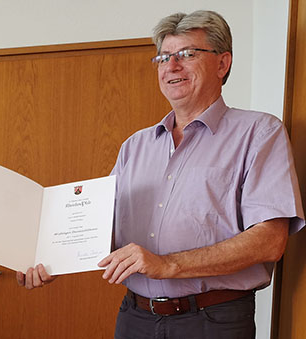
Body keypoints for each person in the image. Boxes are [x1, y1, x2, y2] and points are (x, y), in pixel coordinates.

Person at [16, 10, 304, 339]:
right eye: (164, 57)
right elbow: (98, 230)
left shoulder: (259, 133)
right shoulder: (134, 146)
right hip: (135, 317)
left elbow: (269, 241)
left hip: (214, 320)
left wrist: (167, 264)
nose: (171, 66)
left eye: (187, 54)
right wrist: (50, 259)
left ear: (223, 64)